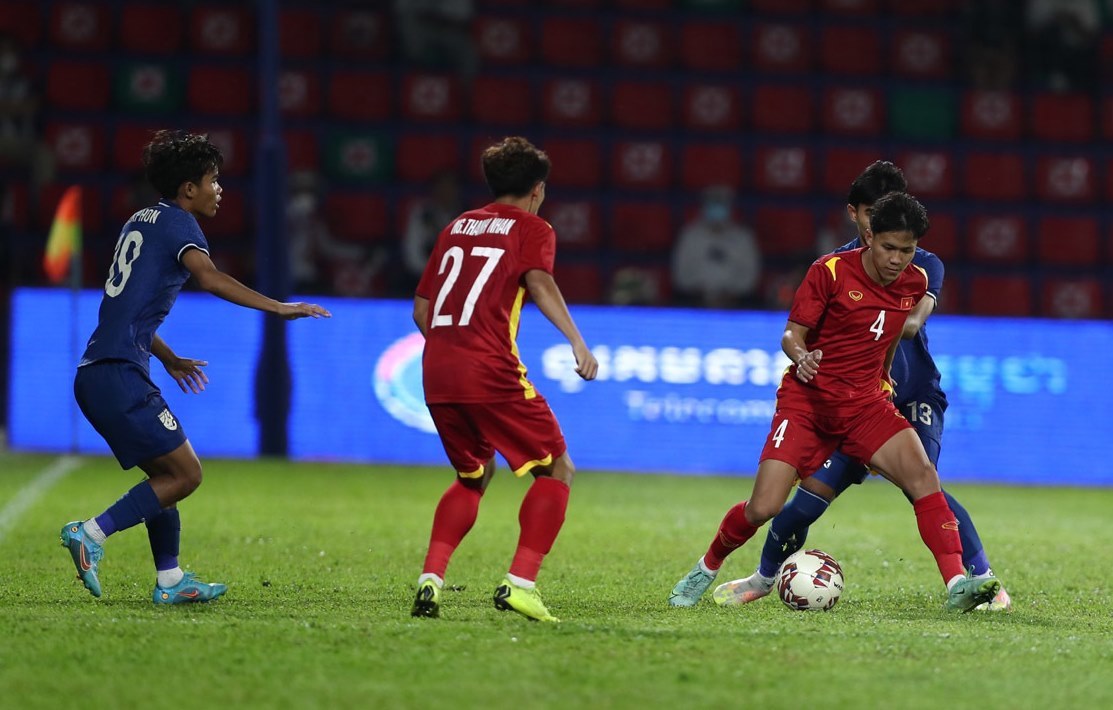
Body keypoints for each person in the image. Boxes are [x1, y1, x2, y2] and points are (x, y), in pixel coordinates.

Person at [667, 191, 1001, 613]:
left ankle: (957, 583)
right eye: (888, 247)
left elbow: (892, 335)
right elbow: (791, 333)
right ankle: (707, 566)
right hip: (807, 404)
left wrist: (882, 377)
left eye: (907, 250)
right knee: (765, 507)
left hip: (864, 406)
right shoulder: (828, 272)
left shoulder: (914, 282)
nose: (897, 259)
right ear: (868, 236)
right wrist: (801, 356)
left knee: (923, 478)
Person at [60, 130, 331, 604]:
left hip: (99, 371)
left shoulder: (139, 221)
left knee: (163, 478)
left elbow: (123, 308)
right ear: (188, 189)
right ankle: (92, 534)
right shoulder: (180, 223)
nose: (219, 189)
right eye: (213, 180)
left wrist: (168, 358)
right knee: (187, 475)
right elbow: (210, 278)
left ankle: (170, 581)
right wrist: (279, 307)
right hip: (119, 373)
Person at [409, 136, 598, 623]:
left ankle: (430, 580)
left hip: (436, 369)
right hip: (489, 370)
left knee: (473, 474)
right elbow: (540, 281)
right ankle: (520, 583)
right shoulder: (533, 227)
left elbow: (422, 309)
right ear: (537, 189)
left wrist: (453, 350)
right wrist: (577, 341)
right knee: (558, 469)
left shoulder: (456, 226)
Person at [671, 185, 762, 309]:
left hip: (735, 304)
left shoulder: (743, 238)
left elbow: (750, 274)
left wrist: (731, 294)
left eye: (721, 203)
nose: (717, 209)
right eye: (713, 203)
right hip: (695, 303)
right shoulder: (689, 236)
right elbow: (681, 273)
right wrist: (701, 293)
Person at [398, 170, 462, 296]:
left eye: (450, 188)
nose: (446, 192)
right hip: (422, 278)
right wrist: (432, 277)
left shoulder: (466, 216)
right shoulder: (421, 214)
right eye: (442, 187)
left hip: (456, 279)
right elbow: (412, 253)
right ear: (434, 190)